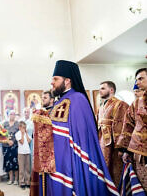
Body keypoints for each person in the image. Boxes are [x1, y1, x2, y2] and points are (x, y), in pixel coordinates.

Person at [39, 60, 118, 195]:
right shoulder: (59, 102)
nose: (52, 82)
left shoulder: (78, 99)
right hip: (56, 162)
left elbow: (80, 138)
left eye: (55, 79)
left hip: (71, 163)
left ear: (67, 81)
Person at [117, 68, 147, 192]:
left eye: (140, 79)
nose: (137, 82)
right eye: (136, 80)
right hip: (139, 153)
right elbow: (128, 126)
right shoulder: (136, 103)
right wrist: (125, 150)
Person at [97, 81, 129, 186]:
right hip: (102, 141)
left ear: (111, 90)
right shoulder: (101, 105)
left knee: (115, 170)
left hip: (114, 144)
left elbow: (122, 125)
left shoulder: (120, 104)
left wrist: (121, 147)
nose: (99, 91)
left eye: (102, 88)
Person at [3, 110, 19, 185]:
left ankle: (16, 179)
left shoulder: (17, 124)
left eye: (13, 114)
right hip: (6, 145)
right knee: (8, 162)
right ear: (8, 115)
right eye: (11, 114)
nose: (12, 115)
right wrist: (7, 141)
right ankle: (10, 179)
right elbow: (2, 133)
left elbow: (19, 134)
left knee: (15, 162)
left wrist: (13, 141)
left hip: (15, 145)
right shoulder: (5, 124)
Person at [15, 121, 32, 189]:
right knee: (21, 168)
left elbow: (28, 141)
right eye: (22, 127)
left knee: (27, 168)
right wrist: (22, 134)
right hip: (21, 153)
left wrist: (26, 133)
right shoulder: (17, 134)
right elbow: (21, 142)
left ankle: (27, 182)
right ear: (19, 127)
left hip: (27, 152)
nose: (24, 129)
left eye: (25, 128)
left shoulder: (26, 133)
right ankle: (22, 182)